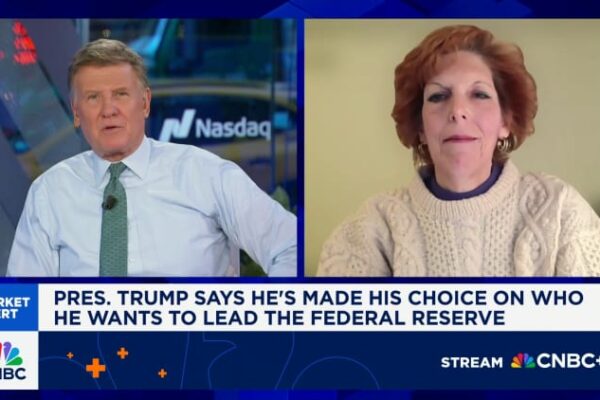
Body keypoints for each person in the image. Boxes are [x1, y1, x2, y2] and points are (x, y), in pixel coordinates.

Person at [318, 25, 600, 276]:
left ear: (506, 121)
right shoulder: (372, 228)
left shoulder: (560, 210)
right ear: (420, 127)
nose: (458, 111)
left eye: (479, 94)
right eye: (438, 96)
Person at [7, 39, 296, 277]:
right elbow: (25, 301)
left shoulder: (206, 174)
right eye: (93, 97)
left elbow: (290, 247)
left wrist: (258, 320)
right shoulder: (50, 192)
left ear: (144, 103)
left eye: (121, 94)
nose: (108, 110)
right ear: (76, 112)